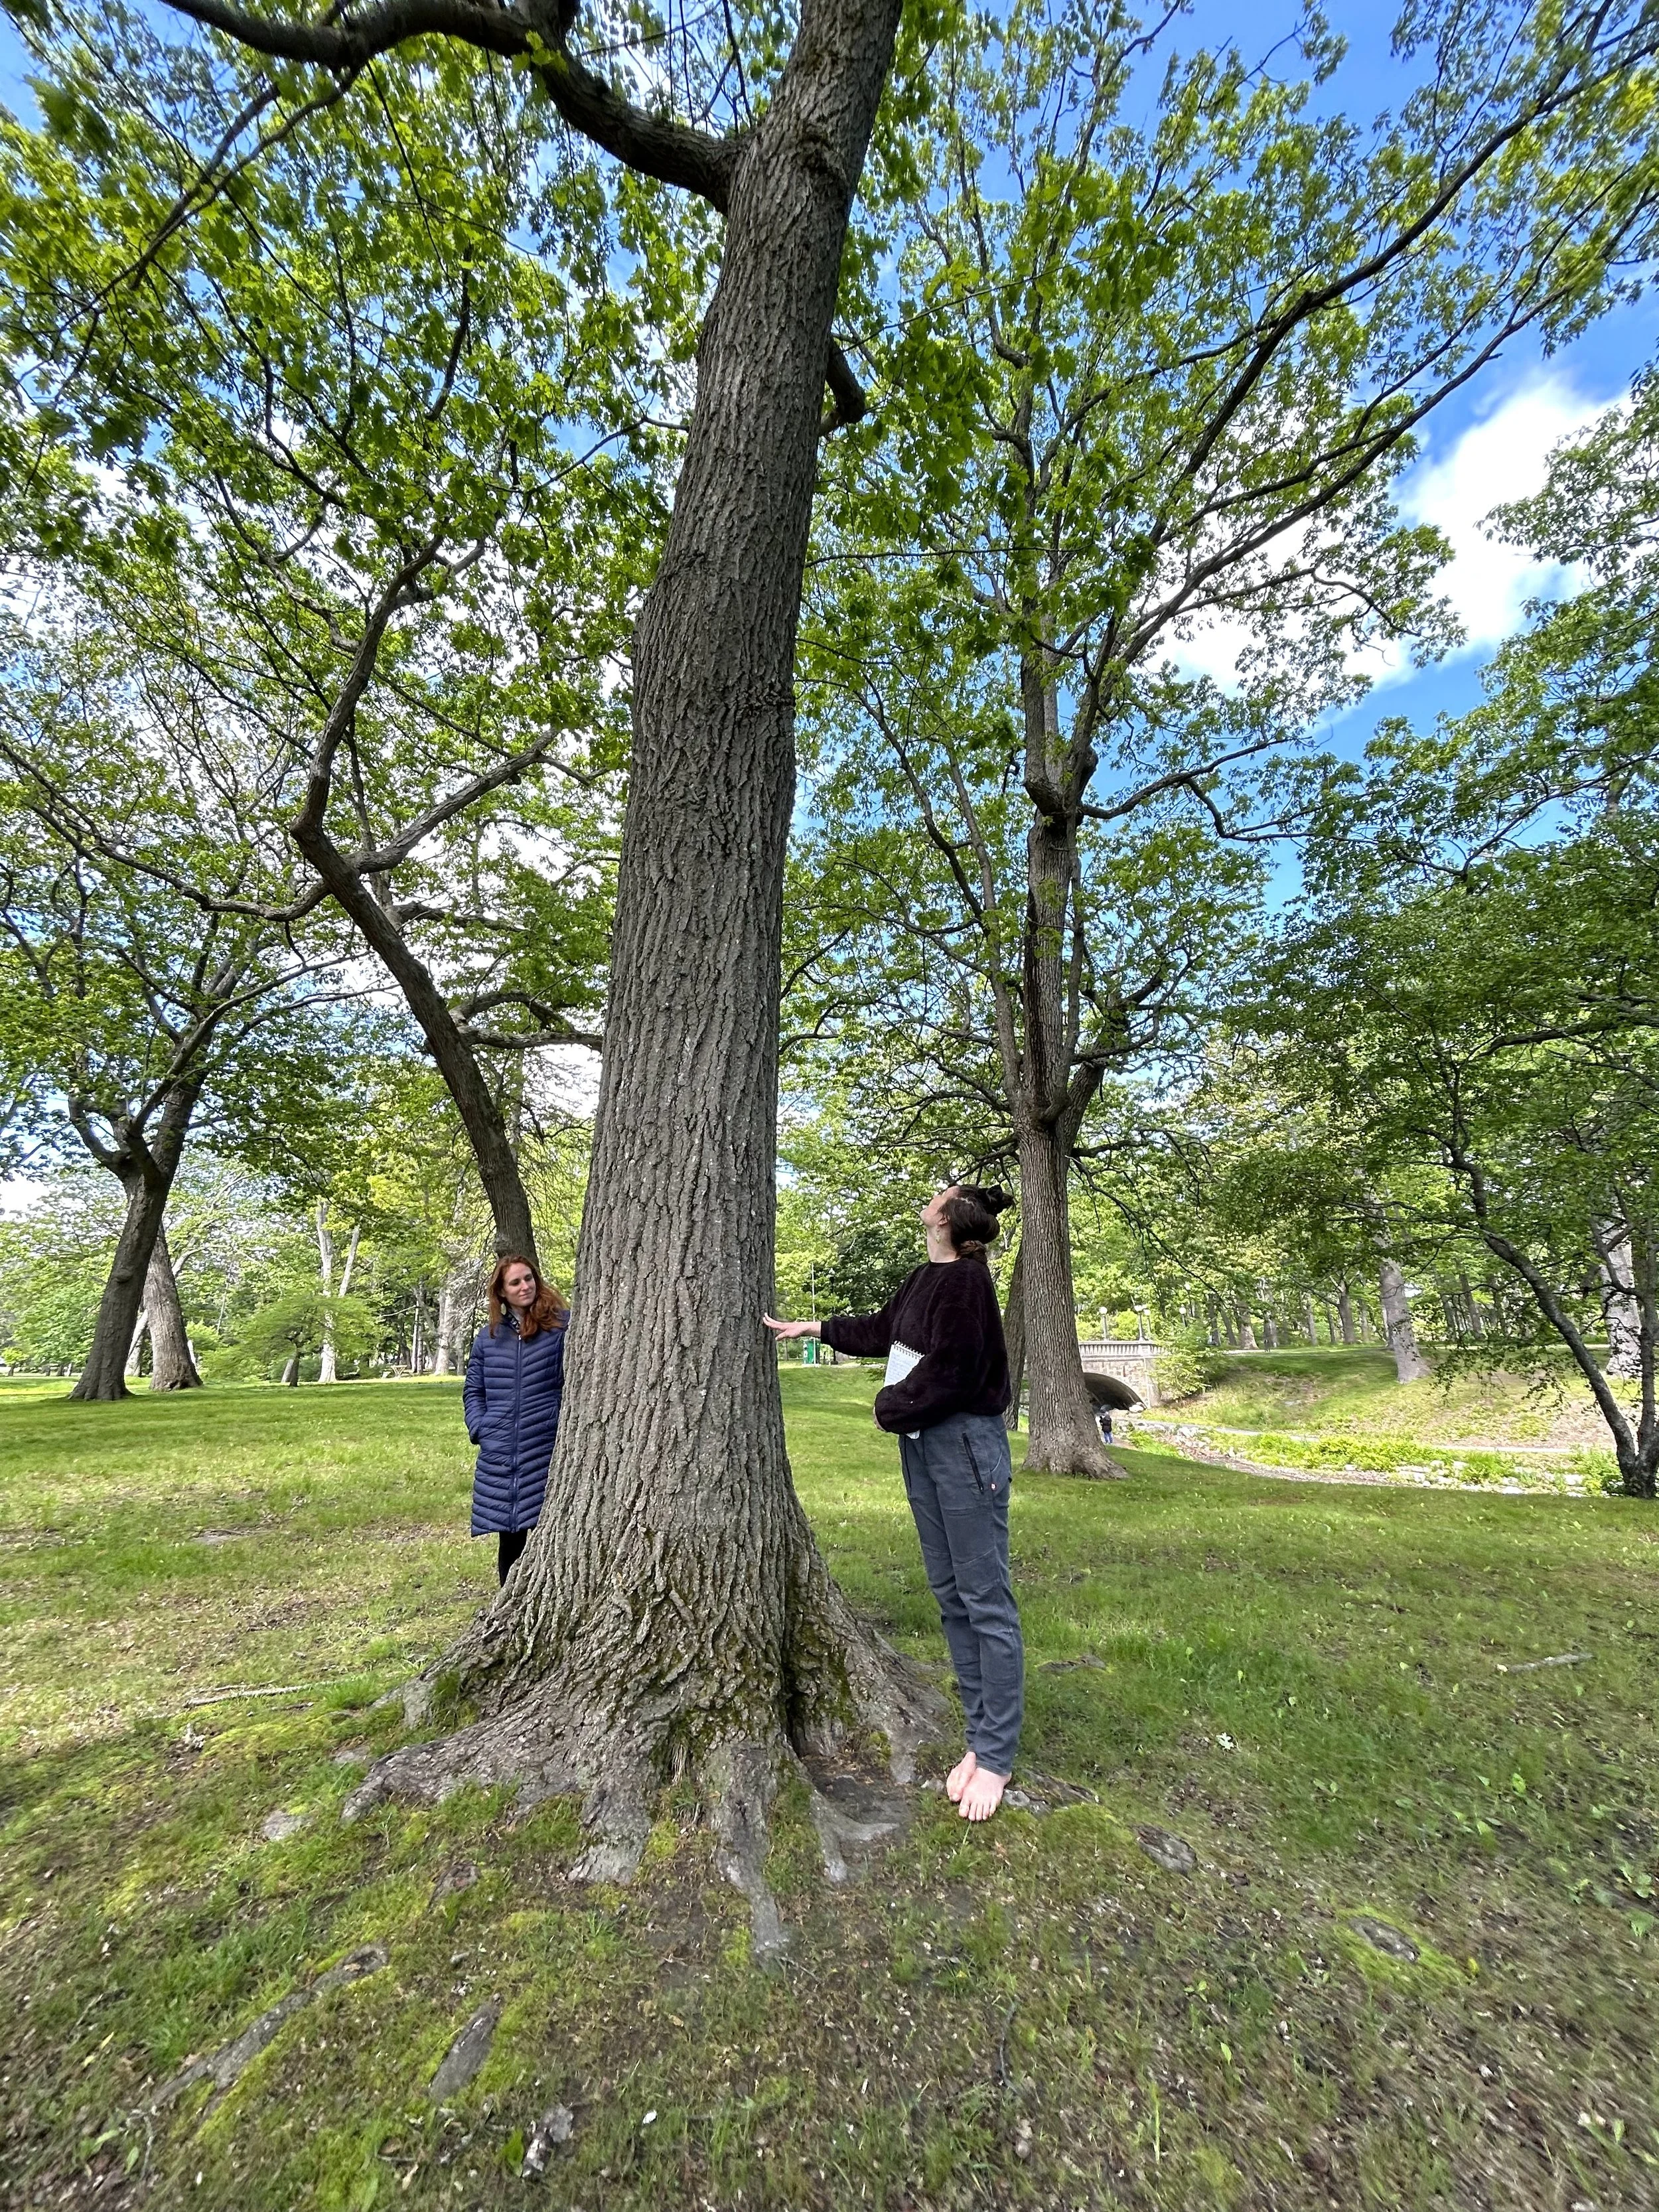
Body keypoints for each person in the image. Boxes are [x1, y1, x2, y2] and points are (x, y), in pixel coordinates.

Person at [764, 1182, 1023, 1822]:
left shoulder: (967, 1283)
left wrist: (890, 1405)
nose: (930, 1198)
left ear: (948, 1219)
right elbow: (884, 1330)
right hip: (924, 1443)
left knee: (985, 1598)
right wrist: (815, 1327)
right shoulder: (926, 1276)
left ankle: (996, 1756)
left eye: (941, 1195)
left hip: (963, 1446)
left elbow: (954, 1370)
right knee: (951, 1593)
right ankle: (978, 1737)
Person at [463, 1253, 569, 1586]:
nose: (525, 1286)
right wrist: (480, 1428)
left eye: (529, 1278)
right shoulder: (488, 1338)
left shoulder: (561, 1327)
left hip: (546, 1447)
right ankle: (508, 1601)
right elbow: (473, 1391)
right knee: (510, 1536)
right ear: (502, 1292)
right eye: (515, 1282)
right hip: (500, 1452)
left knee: (550, 1534)